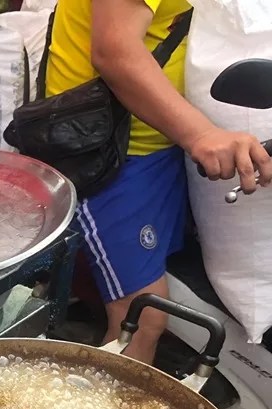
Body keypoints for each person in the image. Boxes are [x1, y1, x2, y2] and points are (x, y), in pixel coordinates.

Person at [46, 0, 272, 364]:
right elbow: (114, 50)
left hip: (170, 142)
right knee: (142, 317)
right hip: (111, 154)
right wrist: (201, 134)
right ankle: (112, 402)